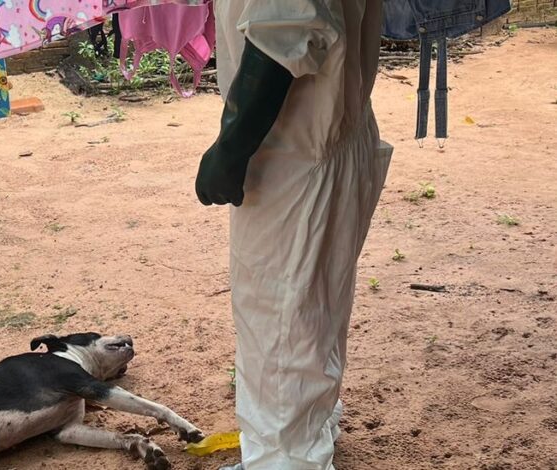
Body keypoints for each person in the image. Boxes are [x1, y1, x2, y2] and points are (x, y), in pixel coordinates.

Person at [195, 1, 393, 468]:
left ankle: (284, 461)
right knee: (312, 313)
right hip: (330, 134)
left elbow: (281, 29)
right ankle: (310, 435)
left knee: (279, 327)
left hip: (293, 153)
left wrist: (230, 147)